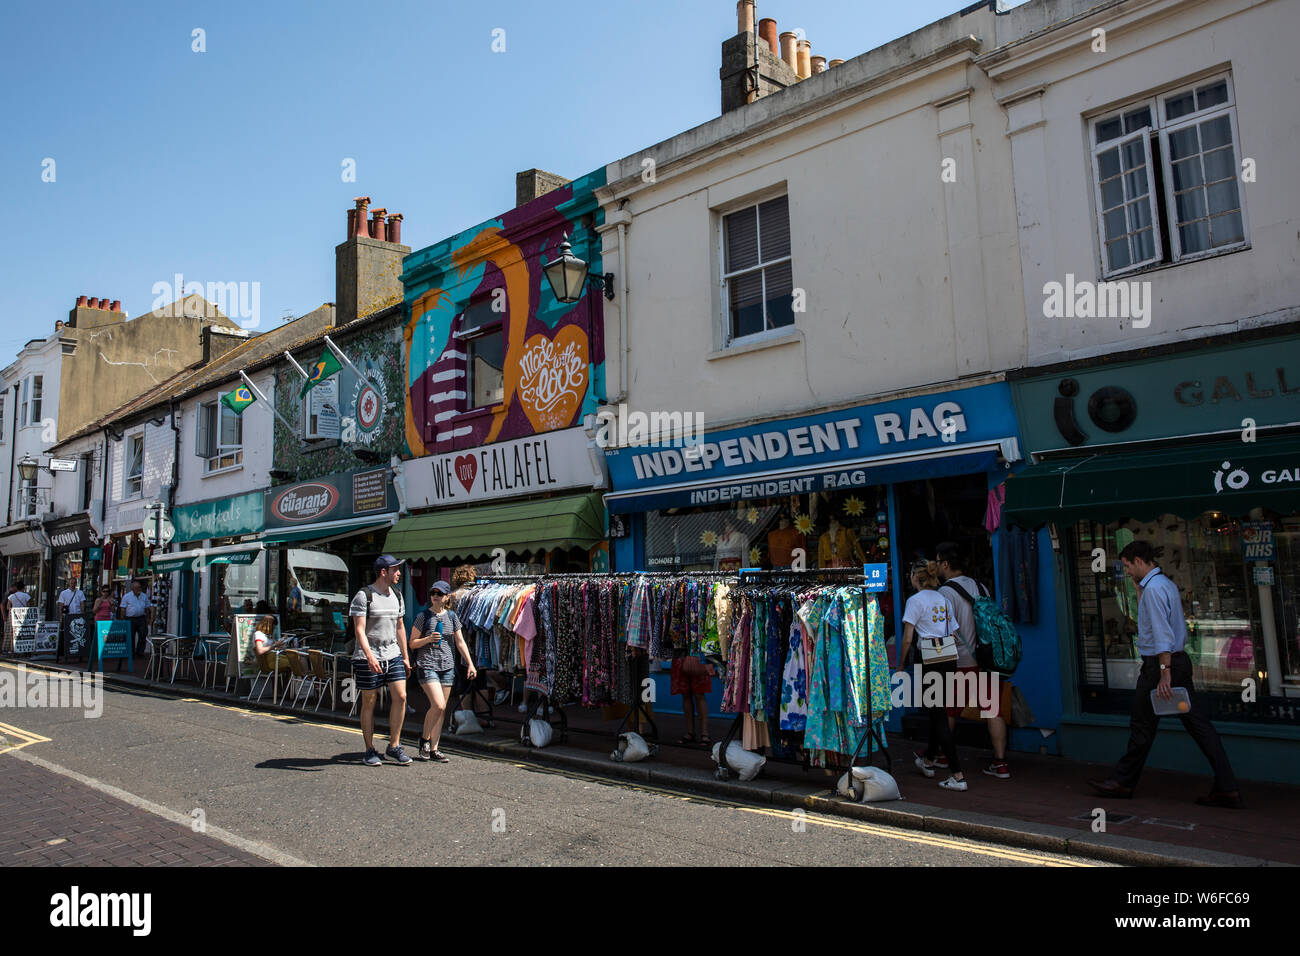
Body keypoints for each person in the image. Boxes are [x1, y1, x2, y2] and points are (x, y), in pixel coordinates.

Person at [1089, 541, 1241, 807]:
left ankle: (1123, 782)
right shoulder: (1164, 585)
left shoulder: (1154, 590)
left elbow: (1161, 634)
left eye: (1127, 566)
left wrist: (1164, 673)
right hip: (1176, 663)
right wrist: (1139, 592)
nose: (1127, 572)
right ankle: (1227, 786)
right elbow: (1154, 624)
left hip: (1160, 668)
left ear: (1138, 561)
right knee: (1197, 725)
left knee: (1142, 726)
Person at [935, 541, 1012, 779]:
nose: (936, 567)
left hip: (961, 661)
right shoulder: (981, 587)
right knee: (993, 711)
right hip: (987, 661)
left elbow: (944, 632)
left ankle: (942, 755)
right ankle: (1000, 763)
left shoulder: (945, 593)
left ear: (945, 564)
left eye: (937, 562)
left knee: (949, 712)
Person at [900, 559, 967, 791]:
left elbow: (907, 638)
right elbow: (955, 633)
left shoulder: (915, 601)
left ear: (915, 578)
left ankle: (957, 775)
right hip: (949, 659)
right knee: (937, 713)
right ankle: (928, 759)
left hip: (929, 660)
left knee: (938, 717)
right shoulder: (943, 599)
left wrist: (900, 665)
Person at [350, 555, 412, 766]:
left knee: (401, 696)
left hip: (392, 654)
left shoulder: (397, 595)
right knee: (369, 701)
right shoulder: (364, 596)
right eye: (395, 569)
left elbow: (400, 627)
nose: (399, 573)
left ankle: (394, 746)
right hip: (368, 655)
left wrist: (405, 656)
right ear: (383, 572)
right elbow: (359, 630)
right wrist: (369, 656)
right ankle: (369, 749)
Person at [409, 581, 476, 762]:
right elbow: (412, 643)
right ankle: (424, 739)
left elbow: (460, 642)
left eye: (439, 593)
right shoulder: (423, 616)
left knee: (442, 709)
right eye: (433, 593)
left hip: (447, 666)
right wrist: (428, 639)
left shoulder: (452, 617)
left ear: (447, 597)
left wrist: (470, 664)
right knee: (438, 705)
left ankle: (434, 749)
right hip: (427, 665)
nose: (435, 596)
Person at [672, 654, 712, 747]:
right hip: (680, 654)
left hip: (699, 654)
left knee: (699, 694)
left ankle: (704, 733)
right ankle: (690, 732)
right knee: (685, 693)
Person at [120, 579, 152, 657]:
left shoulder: (144, 596)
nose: (139, 589)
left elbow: (147, 608)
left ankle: (140, 652)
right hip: (130, 619)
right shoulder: (127, 596)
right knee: (130, 636)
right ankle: (131, 653)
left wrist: (148, 618)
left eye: (139, 587)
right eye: (137, 588)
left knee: (143, 634)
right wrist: (122, 619)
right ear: (132, 588)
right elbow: (123, 608)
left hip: (141, 618)